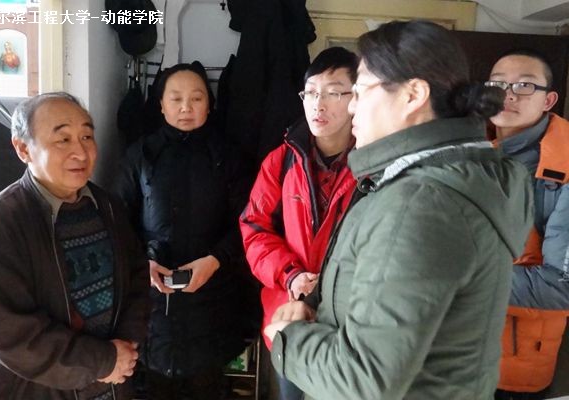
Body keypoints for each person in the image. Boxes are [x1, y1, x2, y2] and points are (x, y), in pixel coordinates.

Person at [263, 20, 534, 399]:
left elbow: (364, 379)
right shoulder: (438, 179)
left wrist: (290, 339)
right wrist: (313, 307)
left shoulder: (420, 203)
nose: (352, 105)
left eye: (360, 90)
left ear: (413, 95)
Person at [0, 92, 150, 399]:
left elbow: (136, 277)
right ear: (23, 148)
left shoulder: (107, 206)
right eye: (63, 139)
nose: (81, 151)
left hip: (111, 384)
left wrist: (125, 349)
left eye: (86, 136)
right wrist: (102, 361)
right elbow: (9, 333)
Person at [113, 62, 257, 400]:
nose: (186, 107)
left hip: (215, 292)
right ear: (161, 105)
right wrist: (143, 262)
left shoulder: (230, 157)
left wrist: (216, 259)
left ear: (209, 104)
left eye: (196, 98)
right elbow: (117, 220)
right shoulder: (140, 154)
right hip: (153, 295)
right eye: (176, 99)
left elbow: (250, 221)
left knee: (207, 384)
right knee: (155, 385)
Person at [239, 46, 358, 400]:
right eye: (311, 92)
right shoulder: (281, 161)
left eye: (334, 92)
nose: (319, 104)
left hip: (350, 320)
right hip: (288, 315)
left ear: (357, 98)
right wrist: (291, 275)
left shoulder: (372, 165)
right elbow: (254, 229)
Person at [486, 49, 569, 400]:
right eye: (497, 84)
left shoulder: (562, 169)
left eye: (524, 85)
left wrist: (460, 279)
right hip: (451, 351)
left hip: (515, 364)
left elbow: (562, 284)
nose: (508, 95)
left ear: (548, 100)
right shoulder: (471, 149)